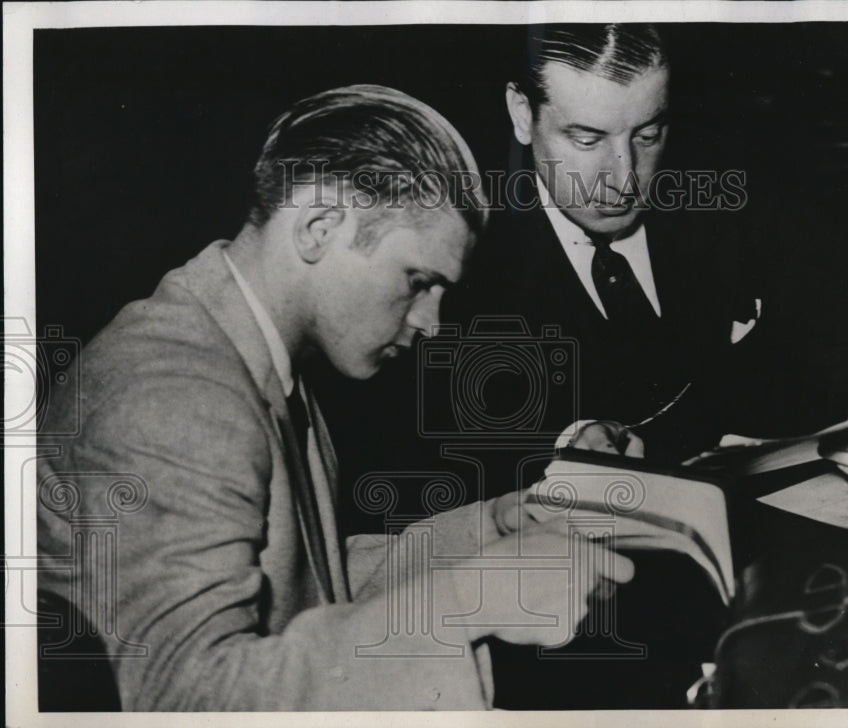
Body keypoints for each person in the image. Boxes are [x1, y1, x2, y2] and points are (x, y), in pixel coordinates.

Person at [35, 84, 635, 711]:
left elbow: (311, 588)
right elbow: (186, 699)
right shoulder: (175, 394)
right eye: (419, 282)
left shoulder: (248, 351)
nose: (432, 322)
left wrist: (497, 528)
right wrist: (462, 600)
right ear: (320, 227)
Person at [441, 23, 848, 708]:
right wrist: (555, 454)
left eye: (647, 135)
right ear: (522, 115)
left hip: (781, 639)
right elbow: (433, 478)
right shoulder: (457, 267)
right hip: (588, 677)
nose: (623, 178)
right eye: (586, 139)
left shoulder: (735, 205)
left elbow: (821, 362)